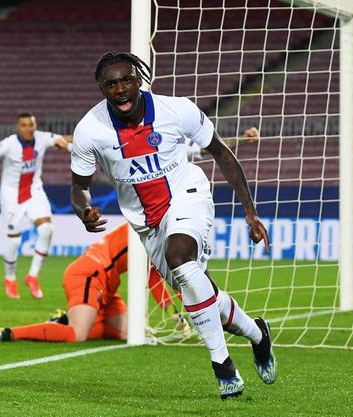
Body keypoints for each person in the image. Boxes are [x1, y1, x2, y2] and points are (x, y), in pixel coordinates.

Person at [69, 51, 276, 399]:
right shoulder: (90, 130)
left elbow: (221, 152)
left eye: (127, 80)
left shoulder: (176, 109)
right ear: (101, 88)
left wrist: (250, 212)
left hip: (186, 194)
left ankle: (223, 367)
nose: (120, 89)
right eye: (111, 84)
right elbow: (79, 187)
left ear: (139, 79)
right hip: (146, 223)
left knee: (179, 257)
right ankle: (257, 334)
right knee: (200, 293)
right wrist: (84, 210)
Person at [0, 222, 179, 343]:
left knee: (131, 333)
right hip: (89, 273)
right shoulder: (147, 227)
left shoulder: (157, 232)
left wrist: (175, 316)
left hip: (107, 284)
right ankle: (10, 333)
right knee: (77, 335)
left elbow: (153, 277)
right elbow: (156, 277)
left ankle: (65, 321)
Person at [0, 113, 71, 299]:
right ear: (18, 127)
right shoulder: (9, 144)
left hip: (34, 191)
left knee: (46, 229)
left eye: (31, 125)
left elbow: (63, 139)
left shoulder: (42, 138)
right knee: (14, 241)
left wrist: (82, 137)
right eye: (24, 125)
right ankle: (10, 278)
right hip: (11, 196)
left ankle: (32, 276)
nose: (28, 128)